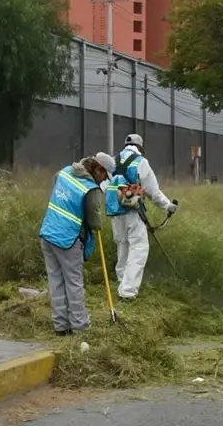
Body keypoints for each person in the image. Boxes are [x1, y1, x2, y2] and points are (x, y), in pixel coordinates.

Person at [39, 152, 114, 335]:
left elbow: (57, 189)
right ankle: (80, 326)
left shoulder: (64, 172)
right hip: (67, 240)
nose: (104, 180)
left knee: (56, 282)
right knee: (73, 283)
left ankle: (61, 326)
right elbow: (95, 222)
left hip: (47, 234)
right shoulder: (90, 189)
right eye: (105, 175)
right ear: (98, 169)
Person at [105, 134, 177, 301]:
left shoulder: (112, 162)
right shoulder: (140, 162)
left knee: (122, 246)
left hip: (114, 212)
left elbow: (105, 185)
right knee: (139, 248)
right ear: (140, 148)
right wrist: (168, 205)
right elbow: (153, 192)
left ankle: (123, 283)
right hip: (131, 210)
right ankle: (128, 293)